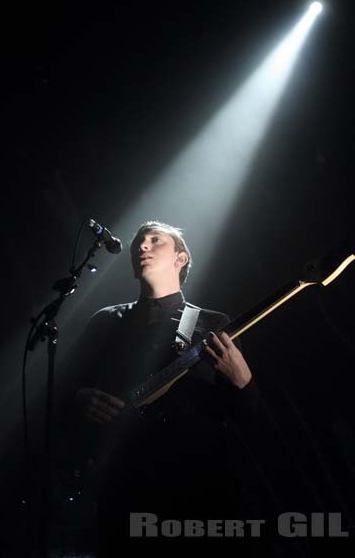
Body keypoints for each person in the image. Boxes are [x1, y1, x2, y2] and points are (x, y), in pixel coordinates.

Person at [58, 221, 265, 556]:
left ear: (180, 259)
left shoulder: (211, 323)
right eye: (139, 242)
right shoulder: (106, 321)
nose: (142, 246)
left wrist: (244, 382)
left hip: (197, 489)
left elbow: (248, 416)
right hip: (122, 487)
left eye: (156, 241)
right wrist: (80, 399)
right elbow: (62, 391)